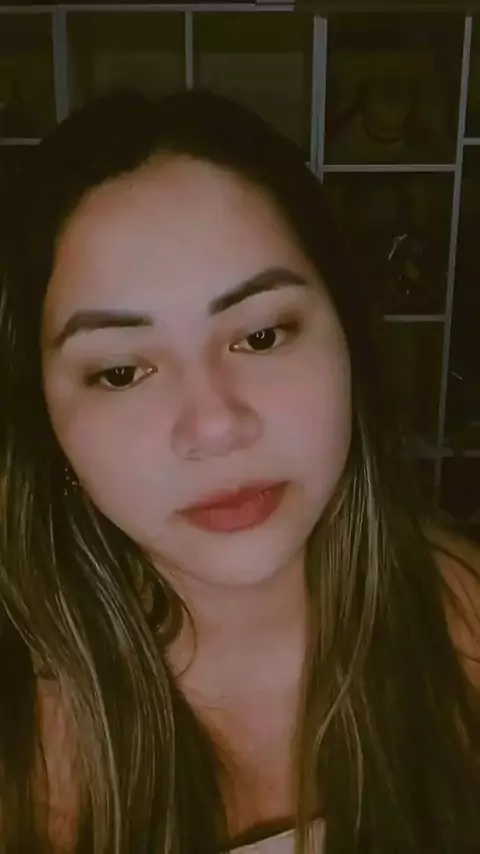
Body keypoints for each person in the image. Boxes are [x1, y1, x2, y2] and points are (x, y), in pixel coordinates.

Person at [0, 87, 479, 854]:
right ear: (48, 427)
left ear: (348, 342)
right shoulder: (25, 746)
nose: (217, 426)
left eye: (261, 336)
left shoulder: (461, 620)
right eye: (121, 372)